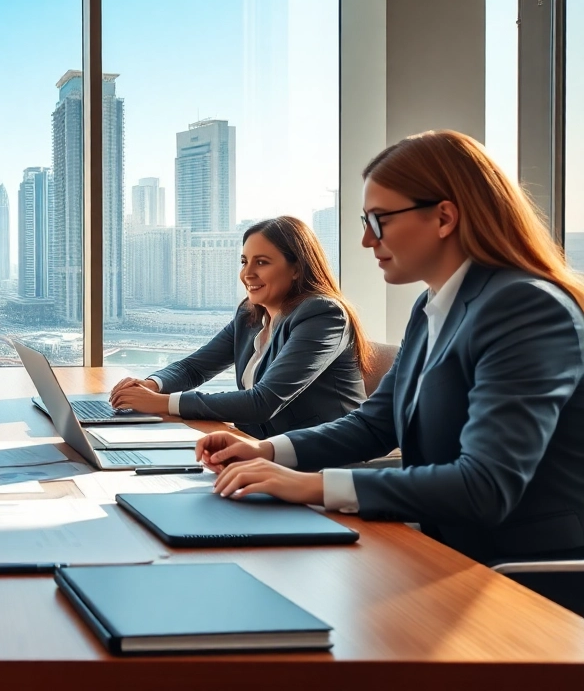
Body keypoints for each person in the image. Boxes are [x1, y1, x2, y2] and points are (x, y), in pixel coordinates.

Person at [198, 130, 584, 564]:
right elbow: (375, 425)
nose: (367, 240)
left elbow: (485, 486)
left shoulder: (525, 307)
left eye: (379, 220)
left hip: (525, 574)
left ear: (443, 217)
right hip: (445, 550)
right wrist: (267, 451)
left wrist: (310, 484)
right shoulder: (431, 306)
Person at [109, 216, 371, 439]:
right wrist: (152, 385)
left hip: (322, 459)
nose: (248, 274)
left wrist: (163, 404)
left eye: (262, 262)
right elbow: (194, 367)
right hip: (258, 448)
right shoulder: (251, 315)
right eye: (244, 261)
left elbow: (263, 401)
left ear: (296, 269)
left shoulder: (323, 315)